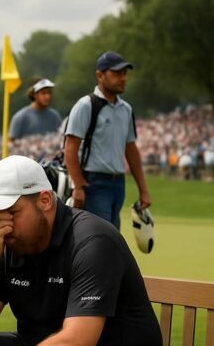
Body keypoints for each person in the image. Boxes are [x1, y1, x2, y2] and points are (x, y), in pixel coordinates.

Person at [0, 155, 161, 346]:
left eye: (11, 212)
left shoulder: (93, 241)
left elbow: (77, 340)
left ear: (44, 200)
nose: (3, 223)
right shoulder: (8, 243)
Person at [63, 51, 151, 228]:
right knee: (101, 237)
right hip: (93, 183)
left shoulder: (126, 109)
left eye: (125, 73)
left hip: (118, 183)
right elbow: (70, 149)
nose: (123, 78)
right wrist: (78, 186)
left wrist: (143, 190)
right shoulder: (86, 105)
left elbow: (131, 150)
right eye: (117, 73)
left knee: (112, 237)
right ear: (100, 75)